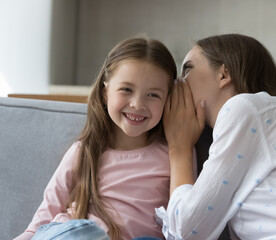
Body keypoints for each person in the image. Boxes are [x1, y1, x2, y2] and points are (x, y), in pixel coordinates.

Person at [156, 33, 276, 240]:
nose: (179, 83)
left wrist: (179, 148)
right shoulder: (265, 115)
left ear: (223, 75)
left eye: (188, 69)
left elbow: (188, 229)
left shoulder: (245, 107)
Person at [14, 36, 177, 240]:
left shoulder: (173, 158)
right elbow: (38, 225)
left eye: (153, 95)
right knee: (83, 232)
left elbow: (182, 225)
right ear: (105, 92)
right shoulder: (83, 152)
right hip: (76, 235)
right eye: (126, 89)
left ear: (168, 101)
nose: (137, 104)